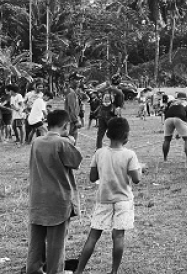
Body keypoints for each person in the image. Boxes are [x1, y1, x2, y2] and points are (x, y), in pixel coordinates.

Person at [74, 117, 141, 274]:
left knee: (93, 236)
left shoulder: (99, 153)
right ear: (126, 135)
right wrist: (139, 169)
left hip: (104, 199)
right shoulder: (130, 154)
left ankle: (79, 271)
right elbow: (136, 179)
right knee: (118, 237)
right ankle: (114, 271)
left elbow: (92, 177)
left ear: (107, 135)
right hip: (123, 200)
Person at [25, 110, 83, 274]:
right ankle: (55, 271)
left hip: (38, 199)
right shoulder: (62, 143)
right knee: (56, 242)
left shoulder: (36, 142)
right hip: (58, 200)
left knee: (36, 241)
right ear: (66, 126)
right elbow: (76, 161)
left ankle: (33, 269)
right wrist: (72, 141)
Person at [162, 97, 187, 166]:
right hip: (179, 118)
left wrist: (179, 132)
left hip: (167, 118)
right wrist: (181, 133)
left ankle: (165, 159)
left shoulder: (172, 102)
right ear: (185, 98)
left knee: (167, 140)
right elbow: (185, 119)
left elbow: (166, 112)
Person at [64, 77, 83, 145]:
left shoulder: (74, 93)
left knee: (74, 135)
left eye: (79, 81)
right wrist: (76, 120)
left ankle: (72, 147)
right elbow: (72, 108)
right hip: (72, 118)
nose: (79, 82)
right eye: (77, 81)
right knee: (72, 136)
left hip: (73, 117)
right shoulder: (71, 93)